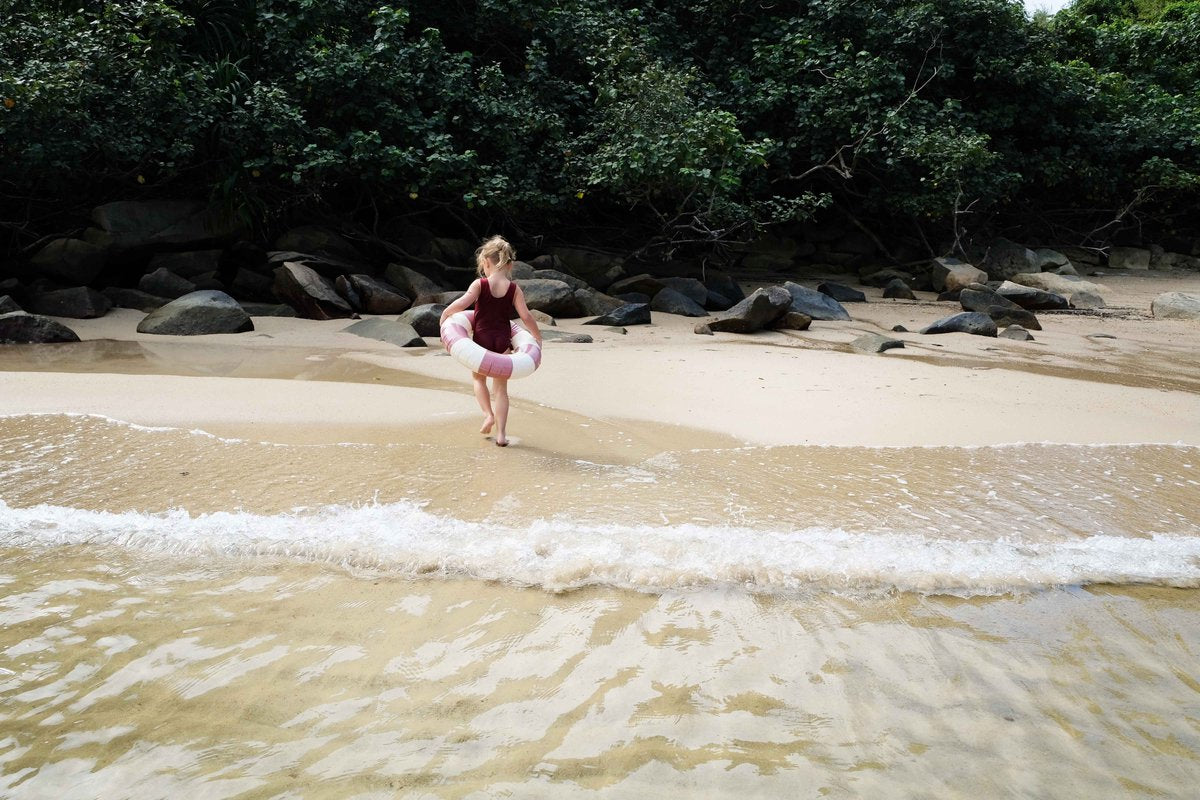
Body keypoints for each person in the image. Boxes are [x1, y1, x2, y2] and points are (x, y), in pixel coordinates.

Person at [439, 236, 542, 447]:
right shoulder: (514, 289)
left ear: (485, 262)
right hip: (502, 339)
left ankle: (488, 415)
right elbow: (526, 316)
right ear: (509, 265)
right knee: (501, 390)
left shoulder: (480, 284)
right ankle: (502, 434)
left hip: (482, 338)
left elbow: (462, 303)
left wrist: (445, 316)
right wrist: (537, 337)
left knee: (478, 379)